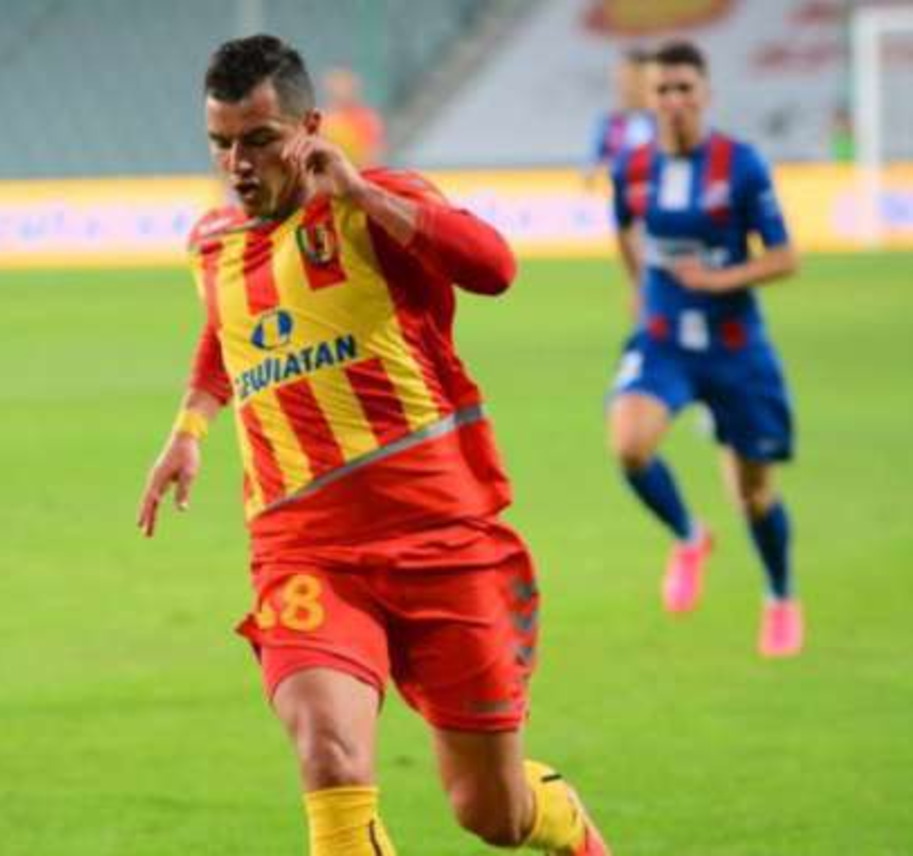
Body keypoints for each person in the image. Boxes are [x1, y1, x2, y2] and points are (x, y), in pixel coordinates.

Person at [139, 35, 607, 856]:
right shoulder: (212, 243)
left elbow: (494, 268)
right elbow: (228, 331)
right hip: (303, 547)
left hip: (440, 538)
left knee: (491, 813)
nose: (238, 165)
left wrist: (359, 191)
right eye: (221, 143)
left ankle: (563, 821)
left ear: (310, 128)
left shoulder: (378, 202)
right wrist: (189, 428)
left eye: (258, 140)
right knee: (328, 758)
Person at [606, 40, 802, 657]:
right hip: (665, 340)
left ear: (705, 94)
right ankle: (691, 537)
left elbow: (784, 257)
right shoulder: (632, 167)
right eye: (663, 90)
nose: (673, 100)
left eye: (684, 88)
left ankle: (780, 596)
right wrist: (639, 289)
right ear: (650, 97)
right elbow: (623, 226)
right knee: (629, 445)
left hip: (734, 348)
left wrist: (718, 281)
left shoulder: (740, 166)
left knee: (753, 494)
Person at [583, 48, 655, 188]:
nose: (623, 83)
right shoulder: (607, 122)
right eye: (621, 75)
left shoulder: (662, 123)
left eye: (632, 76)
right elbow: (590, 168)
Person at [320, 67, 386, 169]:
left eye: (344, 83)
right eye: (337, 82)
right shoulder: (323, 121)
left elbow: (373, 156)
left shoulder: (366, 119)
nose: (340, 88)